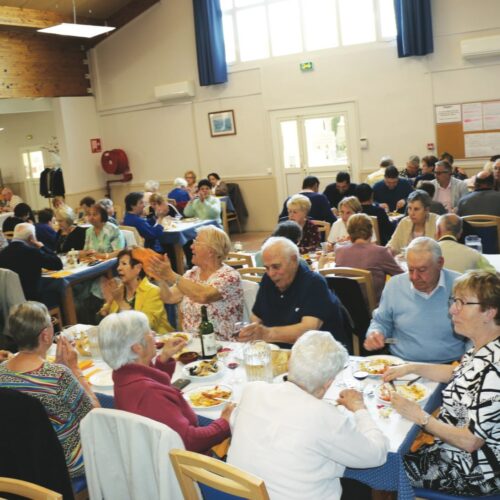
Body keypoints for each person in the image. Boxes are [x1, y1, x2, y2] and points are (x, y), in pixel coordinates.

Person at [228, 331, 388, 500]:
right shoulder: (325, 416)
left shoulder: (252, 390)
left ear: (290, 362)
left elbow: (235, 425)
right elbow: (377, 455)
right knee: (359, 490)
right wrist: (360, 409)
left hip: (237, 495)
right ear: (329, 382)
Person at [384, 271, 500, 496]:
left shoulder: (495, 368)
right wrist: (411, 367)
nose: (452, 310)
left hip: (470, 470)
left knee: (372, 462)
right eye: (454, 301)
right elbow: (458, 373)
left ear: (489, 312)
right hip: (451, 449)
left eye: (462, 303)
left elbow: (471, 442)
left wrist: (418, 416)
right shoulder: (484, 347)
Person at [98, 310, 233, 453]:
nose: (154, 335)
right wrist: (224, 423)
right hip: (184, 465)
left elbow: (153, 390)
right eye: (149, 332)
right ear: (137, 347)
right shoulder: (149, 393)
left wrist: (164, 358)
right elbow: (190, 441)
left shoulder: (123, 376)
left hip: (153, 450)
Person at [0, 302, 99, 478]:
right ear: (46, 335)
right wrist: (74, 370)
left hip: (19, 460)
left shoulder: (2, 372)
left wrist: (60, 367)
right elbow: (95, 416)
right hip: (63, 463)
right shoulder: (58, 376)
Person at [364, 237, 466, 363]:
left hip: (450, 365)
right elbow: (381, 321)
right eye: (410, 270)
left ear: (440, 263)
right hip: (402, 364)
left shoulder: (461, 286)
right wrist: (375, 332)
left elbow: (477, 331)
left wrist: (469, 357)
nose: (414, 277)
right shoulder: (395, 285)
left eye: (422, 270)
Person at [238, 237, 348, 349]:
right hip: (280, 352)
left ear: (294, 260)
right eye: (267, 268)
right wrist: (252, 330)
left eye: (276, 266)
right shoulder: (268, 279)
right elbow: (257, 316)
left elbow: (309, 329)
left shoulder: (314, 283)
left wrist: (266, 334)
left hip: (319, 353)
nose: (271, 273)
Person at [149, 225, 243, 340]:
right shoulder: (191, 274)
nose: (191, 247)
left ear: (211, 250)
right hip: (191, 344)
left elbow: (203, 296)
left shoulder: (230, 277)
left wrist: (171, 275)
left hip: (222, 345)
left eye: (196, 242)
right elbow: (169, 297)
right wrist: (160, 277)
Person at [100, 248, 173, 333]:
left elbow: (146, 326)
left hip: (155, 342)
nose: (118, 268)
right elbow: (107, 321)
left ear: (138, 268)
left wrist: (121, 303)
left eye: (124, 264)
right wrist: (108, 302)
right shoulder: (119, 290)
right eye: (118, 264)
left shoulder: (153, 292)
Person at [335, 214, 404, 303]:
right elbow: (402, 277)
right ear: (371, 231)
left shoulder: (339, 251)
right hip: (375, 309)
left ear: (349, 232)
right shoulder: (380, 252)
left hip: (346, 309)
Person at [0, 223, 62, 301]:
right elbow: (58, 264)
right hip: (33, 299)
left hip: (11, 299)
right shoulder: (32, 252)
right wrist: (42, 247)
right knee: (59, 291)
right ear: (31, 237)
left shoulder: (2, 253)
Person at [386, 190, 438, 256]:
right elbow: (392, 245)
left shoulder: (437, 222)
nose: (411, 213)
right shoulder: (404, 222)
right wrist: (388, 251)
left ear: (427, 210)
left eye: (416, 209)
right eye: (409, 208)